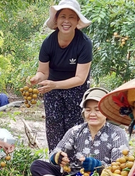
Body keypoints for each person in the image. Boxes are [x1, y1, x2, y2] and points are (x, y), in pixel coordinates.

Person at [30, 87, 129, 176]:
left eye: (97, 110)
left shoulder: (117, 133)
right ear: (83, 111)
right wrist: (57, 158)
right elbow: (55, 153)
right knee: (37, 165)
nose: (92, 114)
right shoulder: (76, 131)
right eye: (88, 110)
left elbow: (119, 168)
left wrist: (99, 166)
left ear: (106, 112)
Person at [30, 0, 93, 150]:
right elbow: (43, 72)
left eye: (71, 17)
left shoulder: (84, 44)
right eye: (62, 16)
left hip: (76, 90)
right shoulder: (48, 43)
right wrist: (36, 78)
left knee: (74, 128)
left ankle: (74, 166)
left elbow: (80, 79)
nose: (66, 21)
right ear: (56, 20)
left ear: (77, 21)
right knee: (53, 126)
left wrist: (54, 84)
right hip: (52, 90)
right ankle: (55, 163)